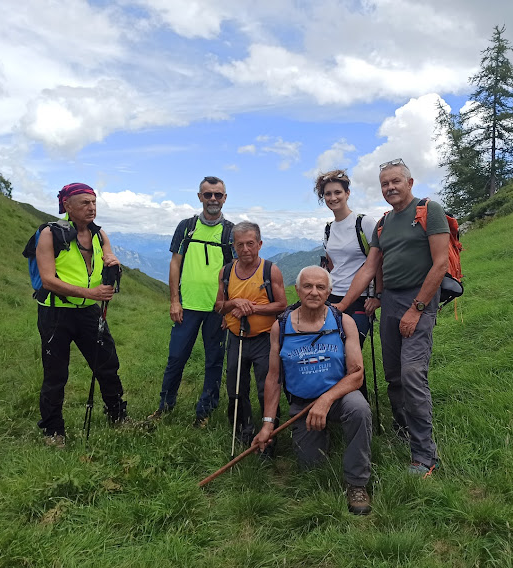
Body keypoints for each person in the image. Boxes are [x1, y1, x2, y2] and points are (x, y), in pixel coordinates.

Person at [333, 159, 449, 477]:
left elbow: (440, 264)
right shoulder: (384, 223)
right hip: (391, 301)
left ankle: (424, 456)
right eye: (385, 183)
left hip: (419, 298)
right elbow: (370, 268)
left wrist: (417, 308)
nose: (390, 187)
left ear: (409, 183)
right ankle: (402, 429)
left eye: (396, 181)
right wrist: (342, 307)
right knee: (394, 375)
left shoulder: (429, 210)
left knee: (412, 374)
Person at [252, 266, 373, 515]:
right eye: (307, 286)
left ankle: (357, 482)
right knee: (311, 468)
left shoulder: (343, 322)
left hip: (339, 397)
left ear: (329, 292)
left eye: (320, 287)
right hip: (302, 405)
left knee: (359, 409)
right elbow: (273, 378)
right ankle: (321, 433)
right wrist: (267, 424)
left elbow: (357, 374)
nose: (314, 292)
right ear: (297, 290)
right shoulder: (281, 326)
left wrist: (326, 400)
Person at [35, 183, 127, 448]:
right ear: (67, 205)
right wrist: (90, 293)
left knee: (107, 363)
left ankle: (118, 416)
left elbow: (108, 258)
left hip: (88, 311)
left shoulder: (99, 234)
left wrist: (113, 264)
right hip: (55, 312)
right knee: (56, 373)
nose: (91, 208)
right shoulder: (49, 234)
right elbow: (47, 280)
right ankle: (53, 431)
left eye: (94, 202)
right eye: (85, 203)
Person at [148, 176, 234, 427]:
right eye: (208, 195)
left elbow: (236, 270)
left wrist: (228, 307)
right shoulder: (186, 227)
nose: (213, 199)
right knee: (176, 358)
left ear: (225, 198)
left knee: (214, 361)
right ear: (199, 197)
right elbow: (175, 263)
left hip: (217, 308)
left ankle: (205, 411)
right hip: (187, 306)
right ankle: (165, 406)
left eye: (218, 195)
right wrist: (174, 301)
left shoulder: (231, 231)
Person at [214, 221, 287, 448]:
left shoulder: (270, 270)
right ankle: (242, 432)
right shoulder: (226, 272)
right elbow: (218, 306)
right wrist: (235, 302)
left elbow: (281, 305)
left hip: (265, 339)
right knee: (236, 388)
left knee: (267, 389)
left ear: (259, 244)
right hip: (236, 338)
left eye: (250, 244)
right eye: (240, 245)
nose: (245, 249)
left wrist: (251, 308)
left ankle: (269, 436)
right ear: (233, 246)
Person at [314, 169, 382, 396]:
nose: (333, 198)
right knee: (334, 355)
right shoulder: (329, 228)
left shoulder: (364, 223)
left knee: (351, 356)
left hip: (360, 300)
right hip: (333, 298)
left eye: (337, 192)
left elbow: (378, 261)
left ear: (347, 193)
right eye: (327, 194)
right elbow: (332, 264)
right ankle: (341, 405)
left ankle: (359, 408)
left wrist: (377, 295)